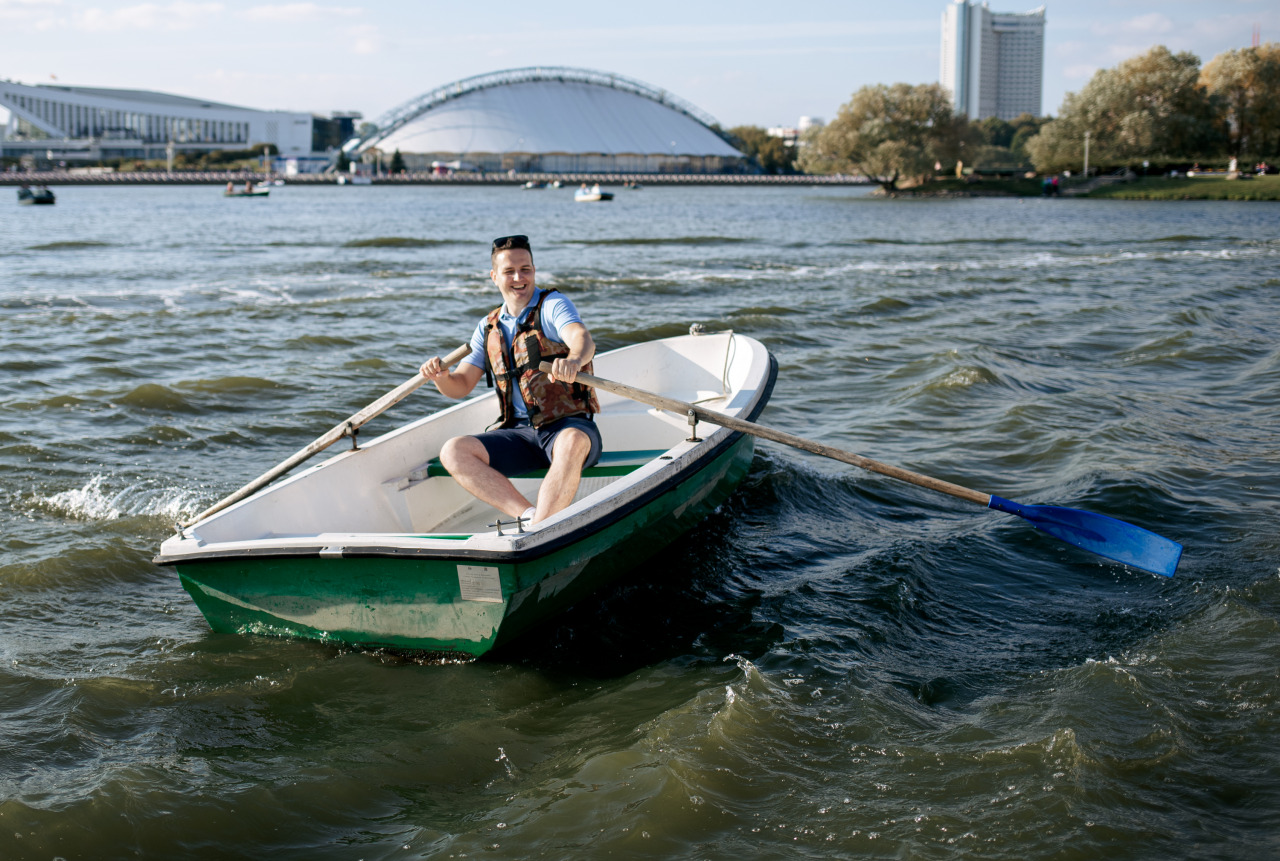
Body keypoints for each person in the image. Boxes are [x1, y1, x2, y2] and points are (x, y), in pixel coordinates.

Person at [419, 234, 601, 527]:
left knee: (572, 441)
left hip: (568, 427)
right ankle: (529, 517)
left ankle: (541, 530)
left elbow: (582, 338)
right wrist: (441, 377)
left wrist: (574, 359)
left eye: (525, 269)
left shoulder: (553, 305)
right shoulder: (488, 326)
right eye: (509, 271)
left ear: (533, 270)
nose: (519, 277)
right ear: (494, 277)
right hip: (519, 434)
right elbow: (461, 385)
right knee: (453, 451)